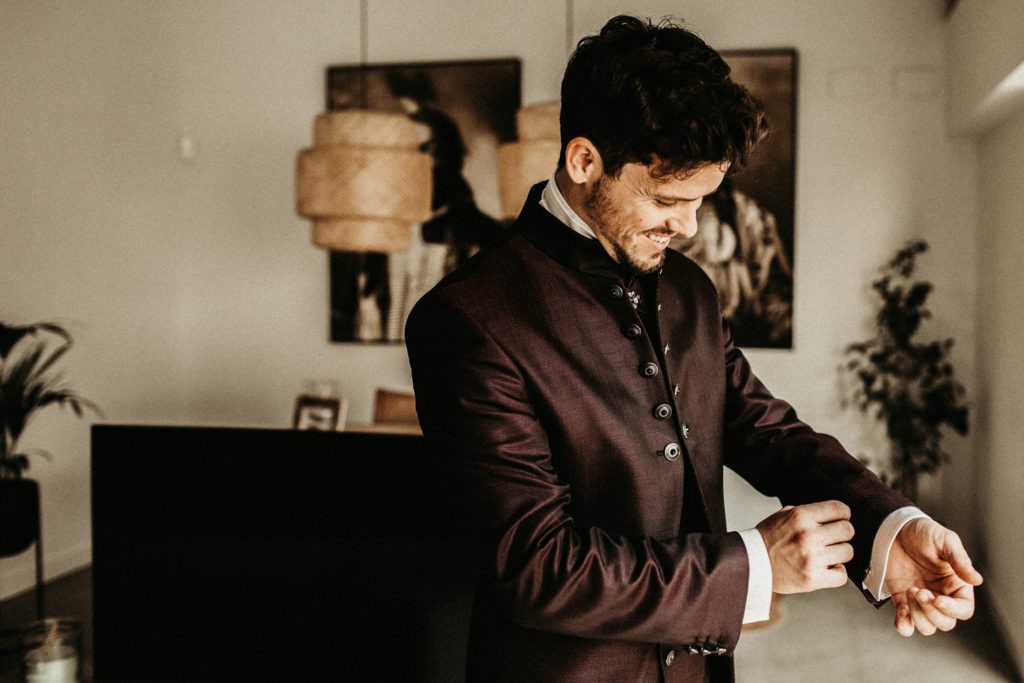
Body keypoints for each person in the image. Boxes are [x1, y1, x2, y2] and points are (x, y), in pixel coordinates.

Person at [405, 15, 982, 682]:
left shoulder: (689, 289)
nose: (688, 225)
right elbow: (539, 565)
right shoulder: (467, 318)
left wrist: (892, 527)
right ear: (584, 160)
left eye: (703, 200)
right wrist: (758, 564)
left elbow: (767, 430)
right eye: (667, 200)